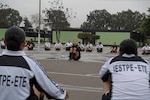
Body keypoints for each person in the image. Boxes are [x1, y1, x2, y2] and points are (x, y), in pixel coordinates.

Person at [0, 26, 69, 100]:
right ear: (24, 44)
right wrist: (63, 93)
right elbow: (49, 86)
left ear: (5, 43)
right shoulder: (31, 63)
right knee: (39, 89)